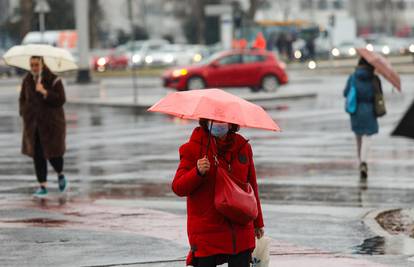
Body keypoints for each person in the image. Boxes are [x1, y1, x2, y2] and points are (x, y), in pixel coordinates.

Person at [172, 119, 265, 267]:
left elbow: (252, 185)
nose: (219, 123)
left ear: (231, 122)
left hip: (240, 227)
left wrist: (258, 222)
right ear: (205, 121)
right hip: (207, 231)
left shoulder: (243, 147)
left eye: (223, 120)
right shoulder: (192, 149)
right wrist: (197, 172)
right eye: (214, 120)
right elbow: (178, 187)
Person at [19, 56, 68, 197]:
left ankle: (60, 174)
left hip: (51, 125)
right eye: (32, 65)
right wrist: (24, 112)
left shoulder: (54, 79)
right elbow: (22, 99)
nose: (34, 67)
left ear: (42, 64)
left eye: (36, 64)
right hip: (33, 125)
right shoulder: (27, 80)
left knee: (54, 154)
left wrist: (45, 92)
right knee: (38, 155)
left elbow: (61, 99)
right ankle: (43, 185)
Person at [344, 57, 382, 180]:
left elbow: (345, 93)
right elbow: (379, 94)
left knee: (358, 137)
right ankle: (364, 161)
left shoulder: (353, 77)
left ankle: (361, 161)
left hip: (356, 110)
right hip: (370, 110)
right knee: (367, 136)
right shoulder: (374, 78)